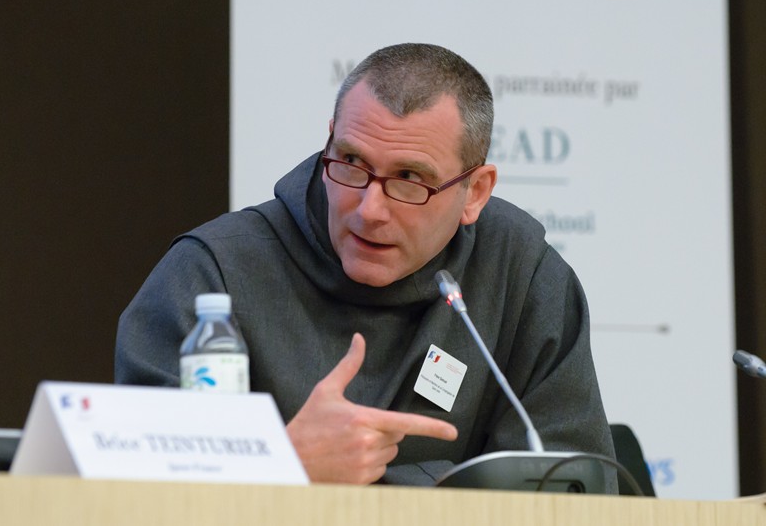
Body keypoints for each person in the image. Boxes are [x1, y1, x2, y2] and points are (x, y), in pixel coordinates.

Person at [115, 43, 617, 490]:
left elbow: (570, 491)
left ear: (475, 192)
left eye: (409, 179)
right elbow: (133, 486)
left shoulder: (522, 276)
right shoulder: (214, 273)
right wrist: (282, 465)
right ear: (329, 142)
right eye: (352, 163)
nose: (370, 210)